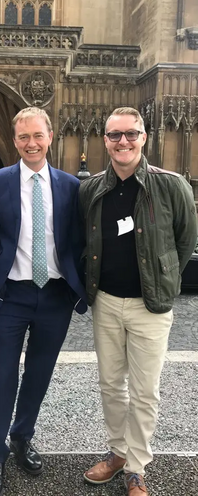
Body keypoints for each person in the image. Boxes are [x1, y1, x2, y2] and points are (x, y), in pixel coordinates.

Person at [79, 107, 197, 496]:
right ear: (105, 140)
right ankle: (117, 453)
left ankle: (136, 467)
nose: (123, 142)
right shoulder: (91, 187)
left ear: (144, 137)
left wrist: (163, 280)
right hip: (107, 302)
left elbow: (185, 241)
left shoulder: (172, 184)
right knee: (111, 385)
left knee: (146, 390)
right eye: (115, 135)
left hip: (151, 306)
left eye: (131, 134)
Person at [0, 107, 87, 496]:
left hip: (55, 296)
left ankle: (21, 437)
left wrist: (78, 286)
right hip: (10, 295)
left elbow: (76, 240)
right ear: (14, 141)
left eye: (37, 135)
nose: (31, 143)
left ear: (51, 136)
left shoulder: (70, 185)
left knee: (38, 375)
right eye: (23, 137)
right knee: (1, 377)